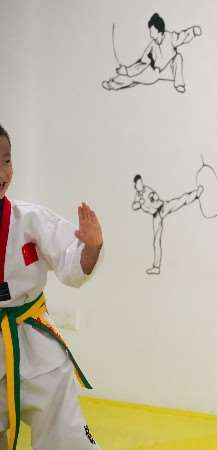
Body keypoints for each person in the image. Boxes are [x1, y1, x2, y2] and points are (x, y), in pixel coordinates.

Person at [0, 123, 103, 449]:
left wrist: (91, 247)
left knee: (65, 431)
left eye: (6, 160)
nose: (2, 172)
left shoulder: (30, 219)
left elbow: (71, 264)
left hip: (32, 341)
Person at [102, 13, 202, 93]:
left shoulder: (171, 37)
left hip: (169, 70)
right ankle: (112, 84)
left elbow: (183, 36)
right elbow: (142, 63)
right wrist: (127, 71)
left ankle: (179, 84)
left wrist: (193, 31)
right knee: (133, 78)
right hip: (154, 72)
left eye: (152, 31)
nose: (150, 34)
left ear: (159, 32)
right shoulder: (152, 46)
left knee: (178, 57)